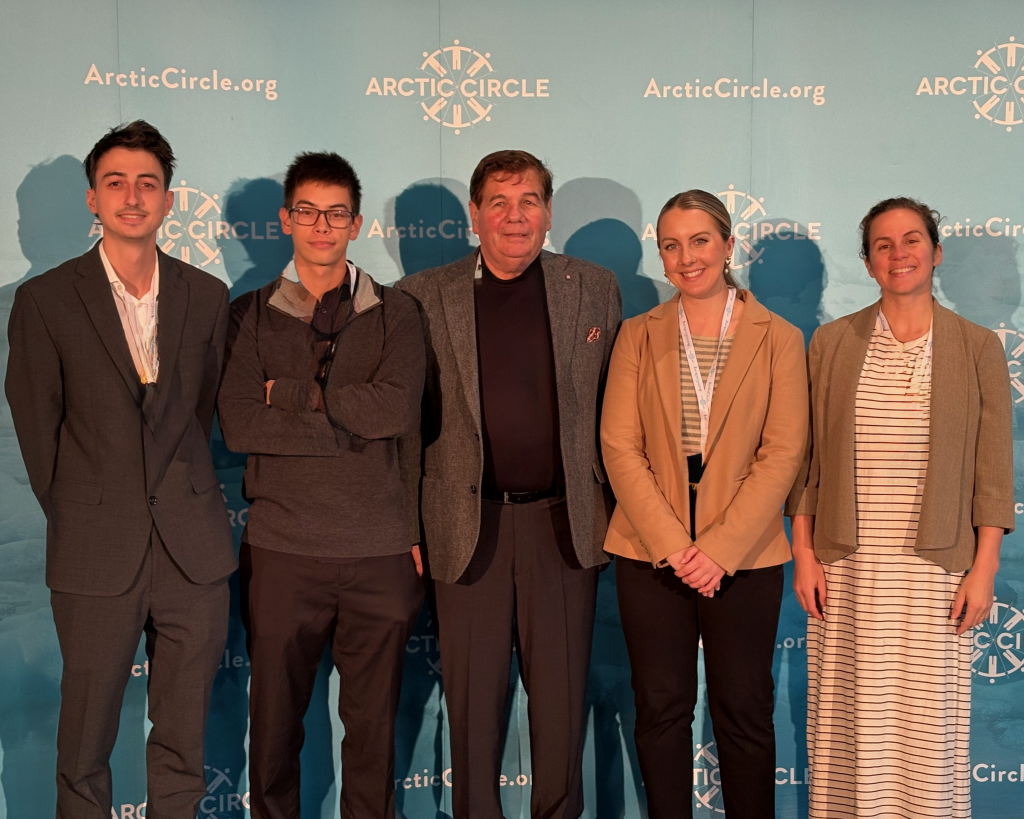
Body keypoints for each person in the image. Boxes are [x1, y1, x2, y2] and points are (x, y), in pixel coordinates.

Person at [4, 120, 236, 819]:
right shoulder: (44, 302)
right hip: (95, 551)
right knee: (84, 747)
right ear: (92, 200)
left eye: (148, 184)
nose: (132, 197)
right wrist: (92, 508)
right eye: (116, 183)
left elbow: (198, 419)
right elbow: (39, 435)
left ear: (168, 200)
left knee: (182, 743)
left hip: (192, 553)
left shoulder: (207, 296)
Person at [395, 150, 621, 819]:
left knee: (560, 705)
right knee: (472, 711)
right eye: (499, 202)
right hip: (467, 530)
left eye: (528, 201)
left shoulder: (595, 287)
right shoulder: (422, 295)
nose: (514, 217)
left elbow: (618, 405)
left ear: (548, 213)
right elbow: (406, 426)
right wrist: (409, 525)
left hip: (565, 526)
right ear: (475, 214)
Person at [787, 197, 1014, 818]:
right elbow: (807, 466)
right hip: (848, 572)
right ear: (867, 262)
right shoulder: (832, 344)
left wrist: (984, 568)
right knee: (848, 732)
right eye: (883, 245)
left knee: (926, 740)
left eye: (911, 240)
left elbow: (992, 474)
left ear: (935, 254)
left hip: (935, 574)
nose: (899, 254)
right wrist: (804, 556)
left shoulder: (976, 348)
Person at [217, 151, 426, 819]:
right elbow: (243, 422)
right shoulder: (247, 314)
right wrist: (346, 421)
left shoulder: (399, 313)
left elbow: (395, 412)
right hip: (283, 551)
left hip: (380, 550)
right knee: (274, 731)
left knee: (373, 736)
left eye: (336, 213)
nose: (321, 225)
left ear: (355, 223)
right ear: (286, 220)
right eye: (307, 211)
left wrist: (298, 397)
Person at [600, 190, 808, 819]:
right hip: (649, 550)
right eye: (670, 244)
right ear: (660, 255)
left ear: (726, 246)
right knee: (660, 708)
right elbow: (618, 444)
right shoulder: (637, 334)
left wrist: (716, 550)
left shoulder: (781, 338)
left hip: (743, 553)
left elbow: (784, 451)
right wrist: (673, 546)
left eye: (698, 241)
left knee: (743, 709)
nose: (686, 257)